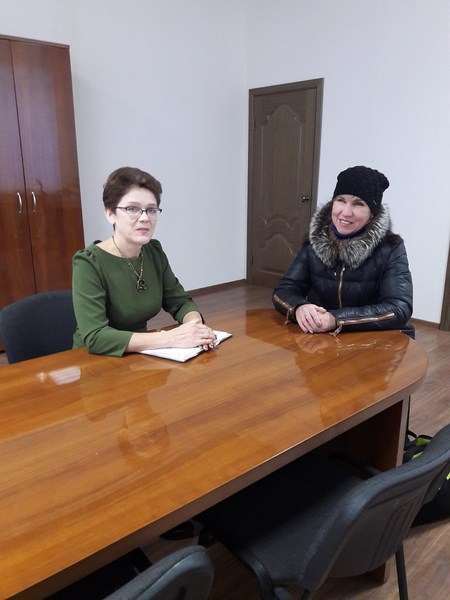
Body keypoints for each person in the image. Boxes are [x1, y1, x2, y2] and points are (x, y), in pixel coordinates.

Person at [72, 166, 216, 356]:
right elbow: (96, 337)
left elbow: (180, 302)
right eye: (132, 209)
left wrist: (195, 327)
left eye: (151, 210)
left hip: (142, 353)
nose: (145, 218)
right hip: (95, 359)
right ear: (110, 213)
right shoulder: (88, 263)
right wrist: (172, 338)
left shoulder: (153, 252)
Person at [273, 165, 414, 336]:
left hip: (374, 337)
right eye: (340, 200)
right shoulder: (316, 240)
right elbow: (285, 289)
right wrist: (299, 307)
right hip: (323, 337)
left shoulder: (391, 248)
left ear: (372, 213)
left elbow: (399, 308)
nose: (346, 212)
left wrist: (336, 319)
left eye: (358, 204)